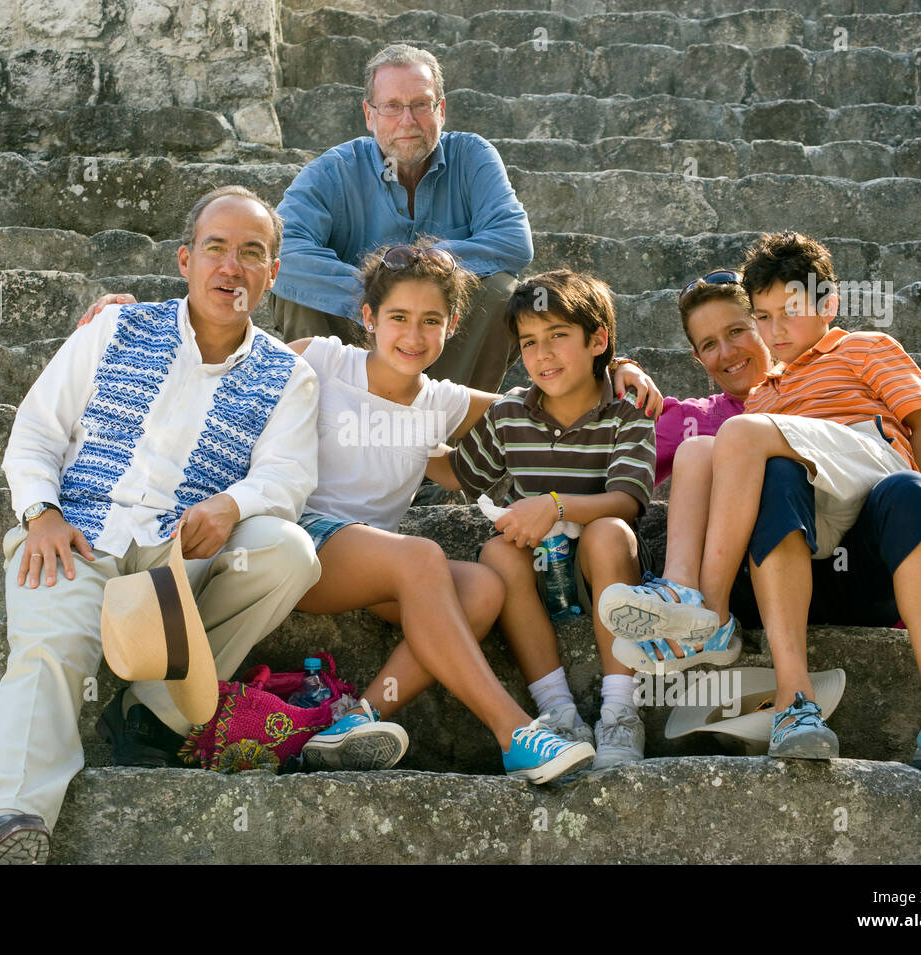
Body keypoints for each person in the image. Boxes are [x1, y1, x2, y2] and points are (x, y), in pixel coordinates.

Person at [0, 186, 324, 864]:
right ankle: (11, 815)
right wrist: (40, 514)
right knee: (51, 647)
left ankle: (155, 709)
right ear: (186, 260)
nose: (232, 267)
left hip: (177, 556)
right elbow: (36, 432)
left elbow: (287, 477)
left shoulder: (289, 374)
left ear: (272, 274)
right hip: (76, 533)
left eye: (253, 253)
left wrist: (234, 505)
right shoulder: (114, 328)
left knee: (289, 551)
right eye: (216, 248)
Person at [599, 232, 921, 780]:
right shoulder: (767, 392)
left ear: (829, 304)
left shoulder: (863, 347)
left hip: (872, 464)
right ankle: (781, 689)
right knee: (708, 450)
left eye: (790, 313)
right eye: (764, 317)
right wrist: (615, 368)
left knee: (891, 488)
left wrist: (904, 494)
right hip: (817, 508)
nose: (775, 331)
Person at [286, 240, 601, 783]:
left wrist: (618, 373)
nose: (413, 336)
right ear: (369, 318)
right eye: (399, 318)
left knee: (482, 589)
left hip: (377, 564)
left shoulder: (442, 400)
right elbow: (229, 371)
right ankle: (514, 731)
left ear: (452, 325)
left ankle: (354, 721)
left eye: (430, 320)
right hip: (297, 547)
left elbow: (545, 401)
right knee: (424, 554)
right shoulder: (322, 358)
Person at [429, 270, 659, 770]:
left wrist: (554, 505)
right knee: (494, 550)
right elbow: (457, 473)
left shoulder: (627, 409)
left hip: (605, 570)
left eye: (558, 336)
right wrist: (394, 434)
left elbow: (626, 500)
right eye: (529, 342)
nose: (543, 354)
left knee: (608, 533)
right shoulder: (511, 413)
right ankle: (558, 712)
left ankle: (621, 710)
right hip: (537, 574)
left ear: (598, 340)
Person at [269, 44, 533, 394]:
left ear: (441, 110)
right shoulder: (333, 171)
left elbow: (514, 241)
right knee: (294, 292)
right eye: (392, 106)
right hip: (354, 332)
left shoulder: (473, 156)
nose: (407, 121)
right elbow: (279, 250)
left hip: (440, 337)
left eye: (421, 104)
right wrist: (382, 299)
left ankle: (447, 424)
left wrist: (436, 265)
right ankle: (325, 420)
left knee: (502, 289)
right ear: (369, 114)